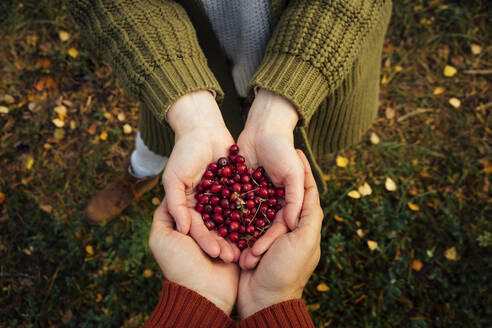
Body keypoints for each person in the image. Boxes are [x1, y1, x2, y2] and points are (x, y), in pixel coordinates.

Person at [67, 0, 392, 264]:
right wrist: (189, 110)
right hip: (182, 72)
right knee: (160, 143)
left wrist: (281, 104)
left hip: (307, 69)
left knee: (296, 150)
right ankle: (138, 174)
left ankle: (148, 166)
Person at [145, 150, 323, 327]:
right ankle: (141, 171)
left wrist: (200, 293)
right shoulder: (234, 194)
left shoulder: (243, 199)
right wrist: (276, 297)